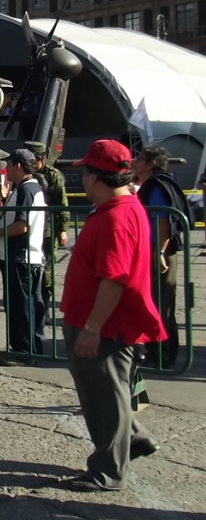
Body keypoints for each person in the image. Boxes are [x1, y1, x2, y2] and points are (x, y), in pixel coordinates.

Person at [60, 139, 164, 491]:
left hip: (103, 325)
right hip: (102, 321)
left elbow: (114, 280)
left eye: (86, 173)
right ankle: (132, 438)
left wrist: (91, 328)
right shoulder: (122, 208)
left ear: (94, 179)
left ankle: (108, 470)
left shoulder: (116, 219)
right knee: (110, 389)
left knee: (103, 394)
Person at [132, 145, 190, 368]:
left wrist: (160, 252)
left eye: (140, 158)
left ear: (151, 164)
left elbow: (163, 221)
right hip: (156, 250)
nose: (135, 161)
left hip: (160, 252)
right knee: (155, 303)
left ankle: (163, 356)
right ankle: (158, 352)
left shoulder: (157, 186)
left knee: (160, 305)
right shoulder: (150, 185)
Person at [0, 149, 46, 361]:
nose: (7, 169)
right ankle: (28, 347)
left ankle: (24, 350)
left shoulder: (26, 190)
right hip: (23, 256)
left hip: (20, 256)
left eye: (9, 164)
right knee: (24, 304)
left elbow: (22, 225)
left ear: (18, 166)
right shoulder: (24, 189)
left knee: (20, 306)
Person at [25, 141, 71, 319]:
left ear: (38, 159)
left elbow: (61, 202)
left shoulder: (52, 175)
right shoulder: (26, 174)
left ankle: (44, 307)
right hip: (28, 228)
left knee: (47, 269)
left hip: (47, 229)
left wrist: (62, 229)